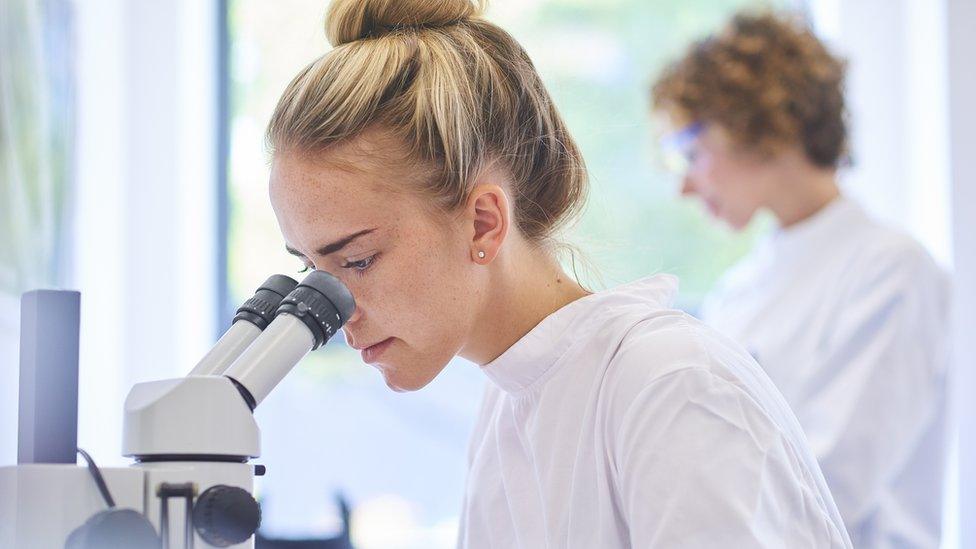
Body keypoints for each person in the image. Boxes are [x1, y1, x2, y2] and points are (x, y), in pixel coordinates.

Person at [266, 1, 851, 546]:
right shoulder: (507, 413)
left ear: (483, 223)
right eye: (311, 269)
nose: (337, 309)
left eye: (358, 260)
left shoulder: (669, 384)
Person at [651, 11, 950, 549]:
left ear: (761, 127)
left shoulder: (893, 271)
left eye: (692, 152)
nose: (685, 189)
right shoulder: (741, 288)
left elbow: (830, 487)